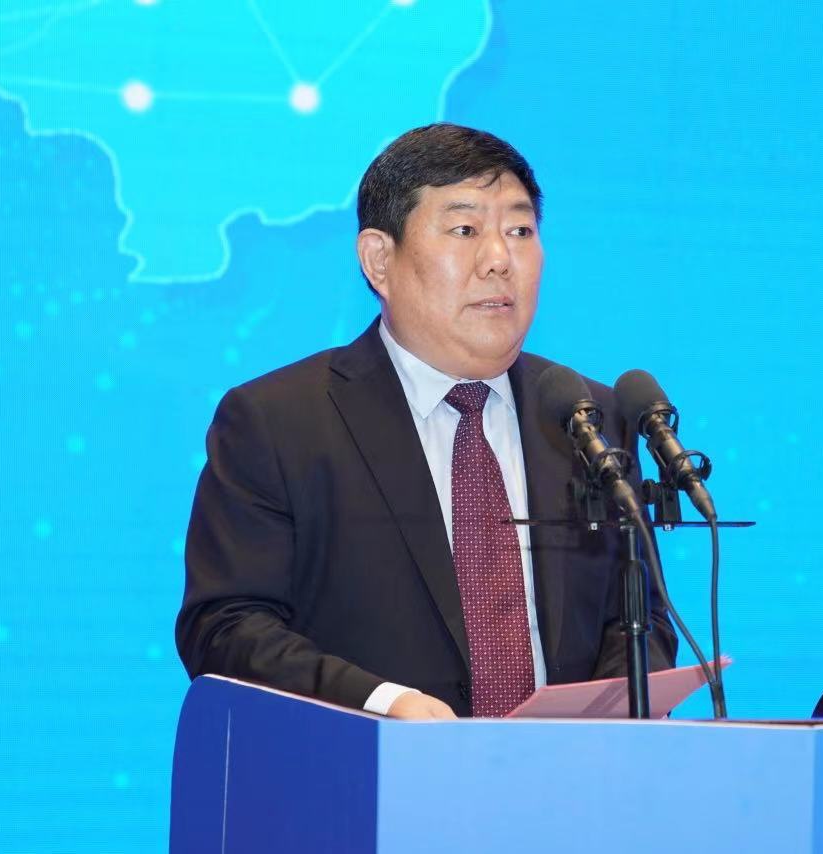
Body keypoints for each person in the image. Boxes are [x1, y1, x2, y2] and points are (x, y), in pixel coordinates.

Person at [176, 123, 676, 719]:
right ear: (379, 259)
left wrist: (598, 728)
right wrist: (382, 703)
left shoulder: (588, 418)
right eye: (465, 230)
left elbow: (640, 617)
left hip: (567, 772)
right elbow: (226, 626)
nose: (499, 260)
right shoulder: (278, 422)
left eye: (519, 231)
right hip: (366, 765)